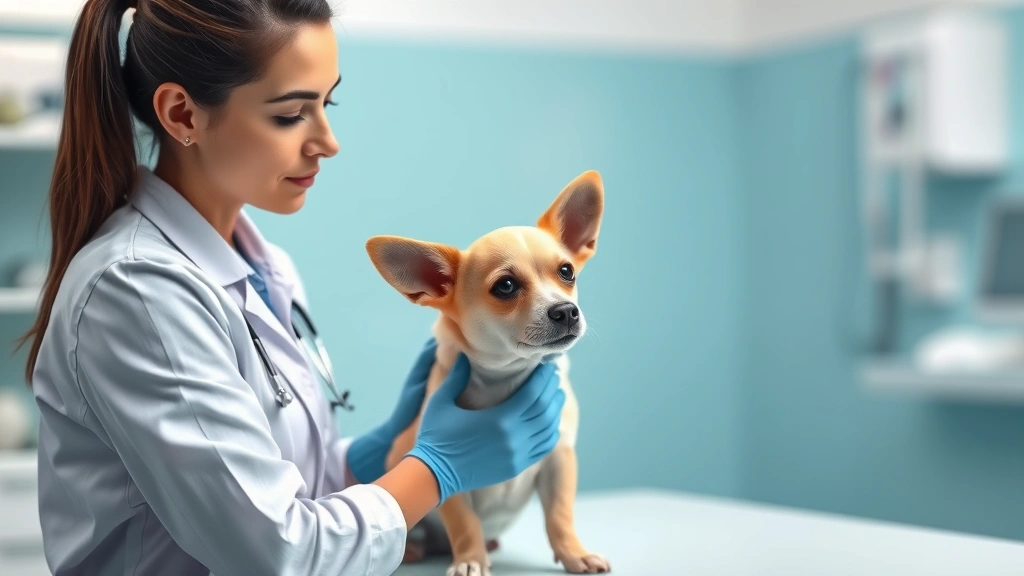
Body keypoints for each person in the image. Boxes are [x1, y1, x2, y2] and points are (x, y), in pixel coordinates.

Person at [19, 0, 566, 574]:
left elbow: (276, 483)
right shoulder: (136, 292)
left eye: (327, 103)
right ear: (182, 115)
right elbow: (277, 550)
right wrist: (436, 469)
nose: (328, 141)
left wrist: (379, 453)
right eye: (290, 114)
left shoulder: (262, 266)